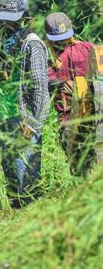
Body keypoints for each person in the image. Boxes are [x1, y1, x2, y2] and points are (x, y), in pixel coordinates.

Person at [0, 0, 50, 208]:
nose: (7, 21)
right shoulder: (9, 41)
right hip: (6, 117)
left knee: (25, 173)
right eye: (5, 16)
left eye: (11, 17)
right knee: (10, 173)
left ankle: (31, 220)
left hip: (24, 120)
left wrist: (34, 125)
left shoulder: (32, 44)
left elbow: (39, 88)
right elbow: (9, 80)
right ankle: (15, 219)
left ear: (24, 15)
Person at [45, 12, 96, 175]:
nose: (61, 42)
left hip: (88, 116)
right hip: (71, 119)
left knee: (89, 166)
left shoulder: (87, 48)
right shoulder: (49, 57)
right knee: (80, 168)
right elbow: (48, 80)